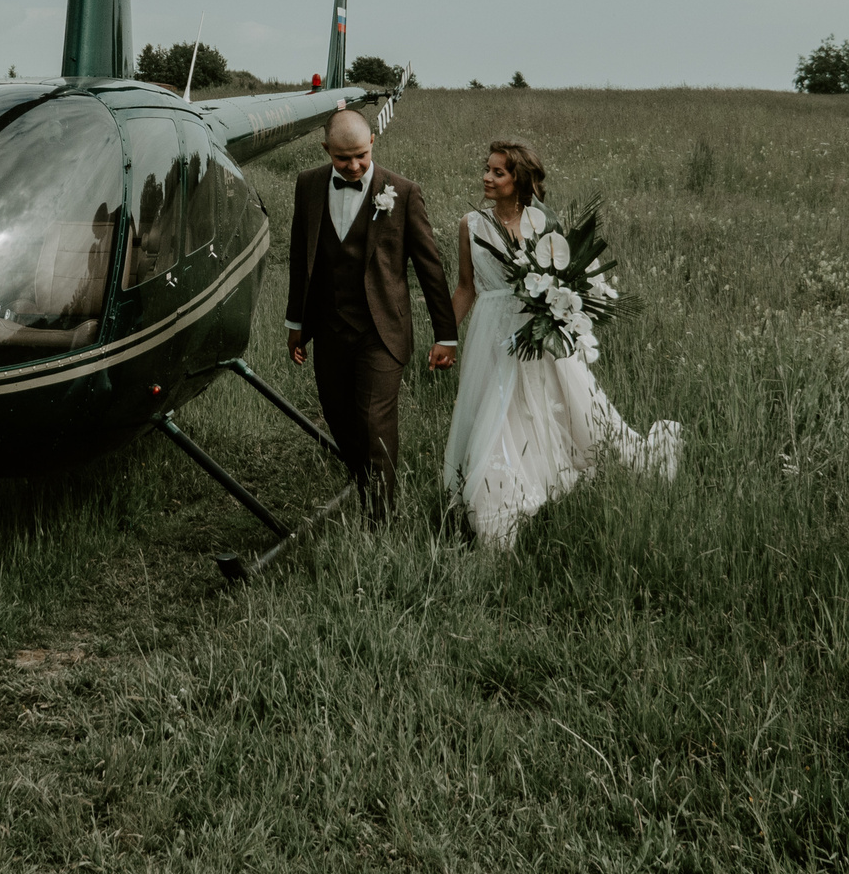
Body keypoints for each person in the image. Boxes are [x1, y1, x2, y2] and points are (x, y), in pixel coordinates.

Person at [443, 138, 682, 549]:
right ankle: (492, 494)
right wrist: (446, 337)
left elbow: (566, 275)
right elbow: (466, 287)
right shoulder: (471, 224)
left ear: (519, 179)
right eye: (486, 169)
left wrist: (561, 312)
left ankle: (535, 479)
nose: (485, 177)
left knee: (551, 407)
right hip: (490, 333)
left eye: (497, 172)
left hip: (537, 331)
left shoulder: (545, 224)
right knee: (493, 411)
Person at [284, 109, 458, 515]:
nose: (353, 165)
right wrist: (296, 324)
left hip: (382, 330)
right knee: (338, 416)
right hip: (329, 328)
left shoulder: (403, 191)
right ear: (326, 149)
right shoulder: (307, 185)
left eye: (360, 155)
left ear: (373, 143)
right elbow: (299, 257)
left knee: (373, 421)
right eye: (343, 157)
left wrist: (445, 334)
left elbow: (430, 268)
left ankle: (380, 520)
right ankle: (366, 487)